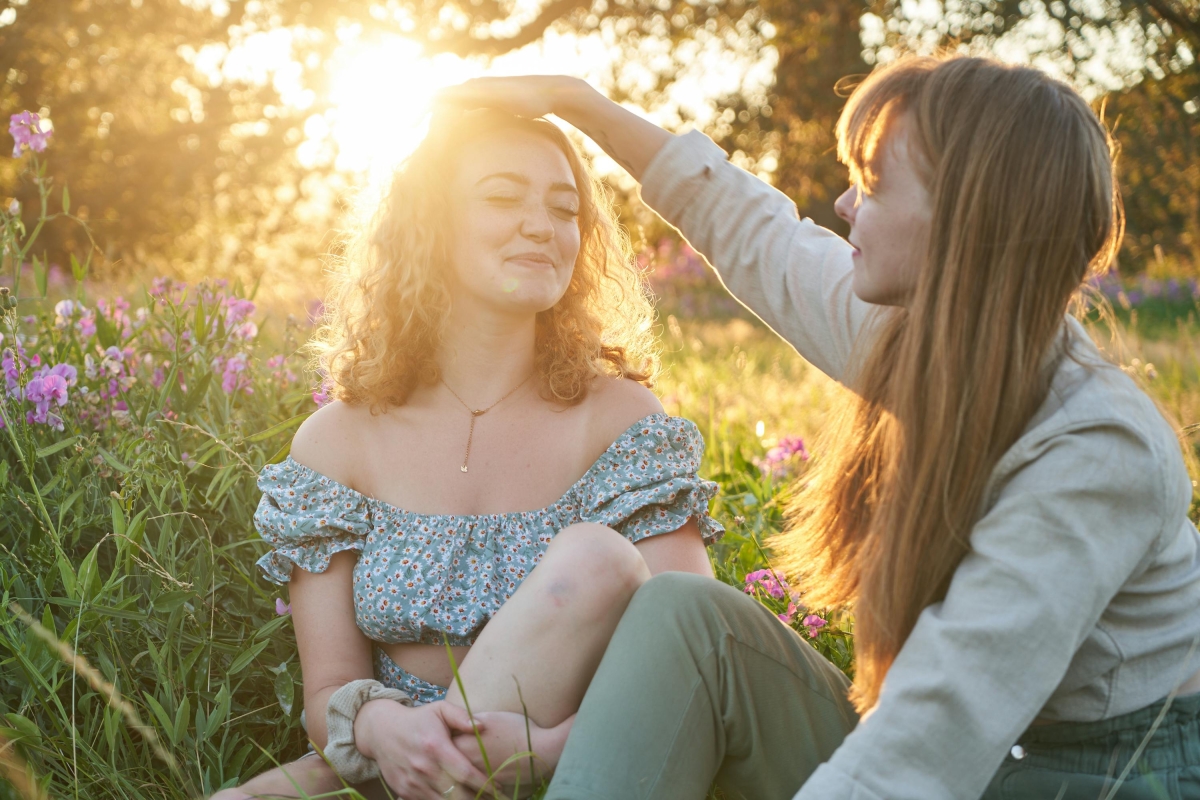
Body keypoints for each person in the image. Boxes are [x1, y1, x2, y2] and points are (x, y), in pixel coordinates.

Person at [437, 55, 1200, 799]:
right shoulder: (926, 339)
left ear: (965, 220)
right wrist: (584, 104)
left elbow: (932, 739)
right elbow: (751, 228)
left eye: (872, 185)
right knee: (687, 616)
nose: (842, 204)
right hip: (971, 747)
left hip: (1106, 773)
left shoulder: (1098, 451)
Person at [209, 109, 722, 800]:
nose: (541, 224)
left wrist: (544, 752)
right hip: (388, 768)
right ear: (431, 223)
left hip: (581, 768)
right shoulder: (339, 441)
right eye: (504, 197)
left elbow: (690, 657)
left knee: (592, 561)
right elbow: (326, 692)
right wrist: (383, 729)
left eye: (564, 208)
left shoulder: (619, 422)